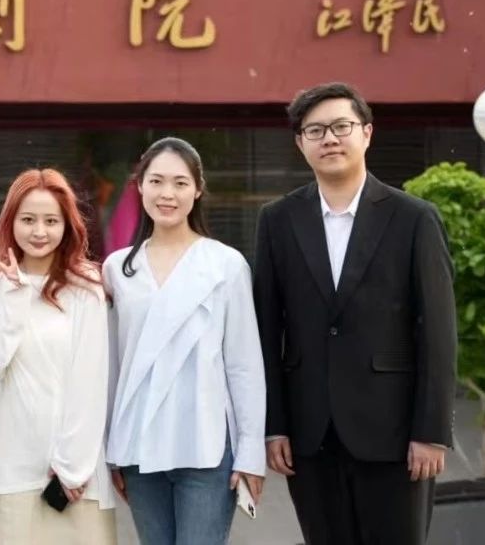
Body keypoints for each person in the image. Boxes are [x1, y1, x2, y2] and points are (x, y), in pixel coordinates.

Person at [253, 82, 456, 545]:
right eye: (315, 130)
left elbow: (438, 331)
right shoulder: (278, 220)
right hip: (309, 434)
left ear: (366, 132)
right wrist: (273, 425)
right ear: (300, 143)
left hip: (395, 432)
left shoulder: (413, 218)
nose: (329, 139)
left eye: (341, 126)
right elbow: (266, 329)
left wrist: (431, 431)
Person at [104, 138, 265, 545]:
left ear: (198, 190)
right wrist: (110, 449)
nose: (167, 194)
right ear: (139, 187)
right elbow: (111, 366)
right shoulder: (118, 269)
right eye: (156, 181)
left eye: (180, 183)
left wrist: (251, 453)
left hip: (206, 445)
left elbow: (244, 365)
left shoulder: (226, 265)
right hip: (138, 446)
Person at [0, 168, 117, 544]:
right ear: (11, 221)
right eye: (28, 219)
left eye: (51, 221)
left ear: (67, 225)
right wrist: (15, 304)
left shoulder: (86, 287)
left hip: (77, 473)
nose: (39, 231)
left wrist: (72, 467)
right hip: (14, 465)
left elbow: (91, 381)